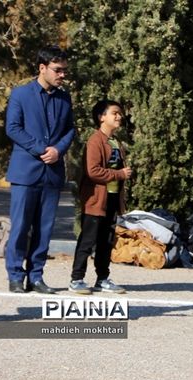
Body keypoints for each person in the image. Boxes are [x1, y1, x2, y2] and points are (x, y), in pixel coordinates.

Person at [5, 45, 75, 294]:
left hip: (52, 172)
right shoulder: (20, 94)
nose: (62, 75)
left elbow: (70, 130)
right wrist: (41, 148)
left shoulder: (64, 98)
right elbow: (12, 128)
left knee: (45, 229)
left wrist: (58, 150)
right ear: (42, 68)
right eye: (58, 70)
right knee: (21, 226)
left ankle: (36, 276)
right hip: (26, 172)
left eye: (65, 70)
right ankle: (15, 276)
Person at [69, 100, 131, 295]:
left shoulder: (115, 143)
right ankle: (77, 278)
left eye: (120, 113)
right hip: (96, 200)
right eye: (114, 113)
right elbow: (93, 171)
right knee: (88, 239)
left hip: (111, 199)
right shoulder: (95, 140)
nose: (119, 116)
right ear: (101, 117)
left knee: (106, 240)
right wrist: (120, 174)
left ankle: (102, 278)